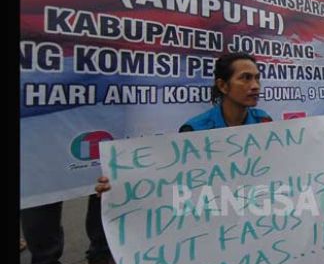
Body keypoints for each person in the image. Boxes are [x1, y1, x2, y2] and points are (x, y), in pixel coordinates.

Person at [22, 0, 122, 264]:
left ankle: (100, 253)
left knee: (106, 175)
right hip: (38, 88)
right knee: (42, 176)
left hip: (103, 90)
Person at [96, 52, 273, 197]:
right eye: (246, 78)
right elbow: (171, 178)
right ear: (223, 86)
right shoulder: (194, 130)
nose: (255, 86)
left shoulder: (264, 121)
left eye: (257, 78)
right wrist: (118, 185)